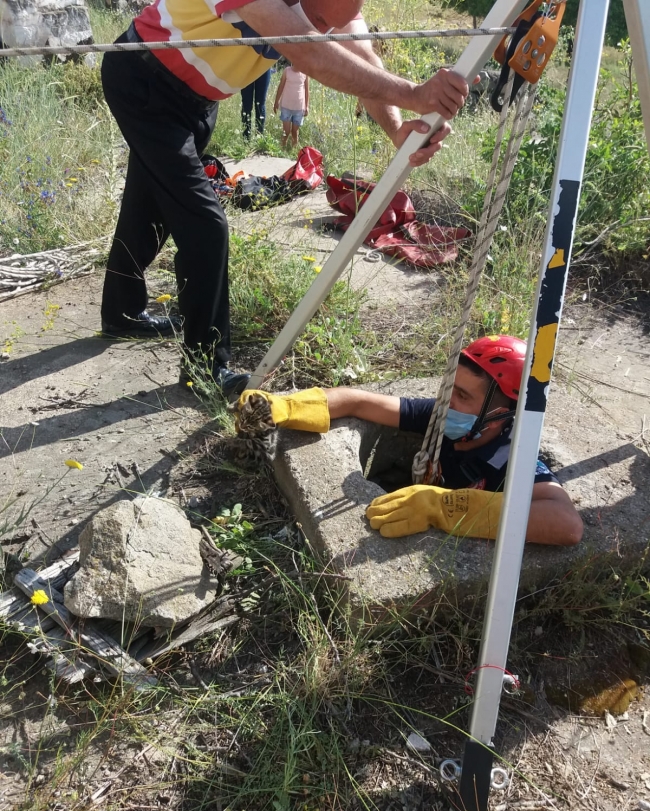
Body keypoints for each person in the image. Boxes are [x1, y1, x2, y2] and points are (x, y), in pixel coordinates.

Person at [99, 0, 472, 397]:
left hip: (196, 99)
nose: (323, 27)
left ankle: (122, 313)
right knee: (205, 226)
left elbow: (360, 53)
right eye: (320, 18)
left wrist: (397, 130)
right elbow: (309, 50)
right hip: (146, 78)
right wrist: (415, 94)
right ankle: (204, 369)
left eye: (331, 24)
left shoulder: (337, 6)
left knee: (149, 205)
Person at [235, 335, 584, 546]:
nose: (448, 403)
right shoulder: (443, 418)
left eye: (462, 396)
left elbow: (567, 524)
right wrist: (285, 406)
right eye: (450, 388)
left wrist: (444, 507)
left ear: (503, 413)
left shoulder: (510, 458)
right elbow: (360, 402)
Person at [274, 65, 309, 148]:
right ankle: (282, 149)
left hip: (299, 108)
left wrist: (307, 106)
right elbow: (281, 86)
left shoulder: (305, 73)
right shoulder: (287, 71)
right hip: (286, 106)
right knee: (286, 132)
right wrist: (276, 101)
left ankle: (294, 152)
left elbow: (307, 90)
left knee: (294, 132)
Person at [241, 68, 272, 140]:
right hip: (247, 67)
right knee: (246, 105)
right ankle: (246, 139)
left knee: (260, 105)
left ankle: (259, 138)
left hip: (264, 67)